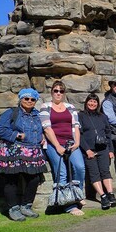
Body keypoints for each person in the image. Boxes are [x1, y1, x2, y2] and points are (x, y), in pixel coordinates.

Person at [0, 88, 48, 221]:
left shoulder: (37, 115)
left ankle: (26, 206)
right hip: (13, 150)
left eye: (32, 99)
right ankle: (13, 208)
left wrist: (42, 136)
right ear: (21, 99)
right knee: (11, 179)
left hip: (32, 151)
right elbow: (0, 129)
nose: (29, 101)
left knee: (34, 178)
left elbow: (41, 129)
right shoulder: (11, 113)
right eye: (26, 98)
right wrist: (16, 135)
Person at [40, 81, 85, 216]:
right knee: (62, 172)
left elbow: (76, 126)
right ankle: (69, 205)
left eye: (61, 91)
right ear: (51, 92)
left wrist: (77, 143)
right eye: (56, 91)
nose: (58, 93)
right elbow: (47, 129)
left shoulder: (70, 107)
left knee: (79, 167)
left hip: (71, 142)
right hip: (54, 144)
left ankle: (78, 195)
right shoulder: (45, 107)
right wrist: (57, 146)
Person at [79, 93, 116, 210]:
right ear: (86, 103)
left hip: (103, 149)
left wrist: (111, 149)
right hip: (89, 150)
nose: (92, 103)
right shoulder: (80, 115)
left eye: (95, 101)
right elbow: (79, 135)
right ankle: (103, 196)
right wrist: (87, 150)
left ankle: (110, 194)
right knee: (94, 173)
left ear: (97, 104)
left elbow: (108, 133)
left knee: (105, 171)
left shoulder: (102, 116)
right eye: (90, 101)